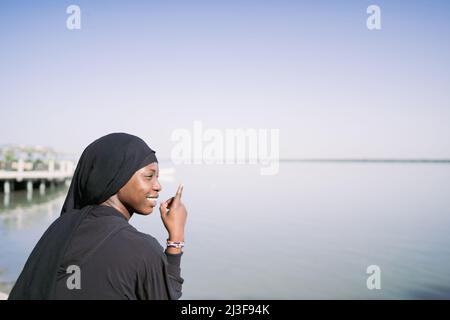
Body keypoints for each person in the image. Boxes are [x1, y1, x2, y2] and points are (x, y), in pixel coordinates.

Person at [8, 133, 187, 300]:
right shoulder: (142, 250)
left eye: (157, 177)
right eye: (149, 176)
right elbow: (165, 294)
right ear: (116, 176)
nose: (158, 186)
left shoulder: (60, 229)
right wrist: (176, 237)